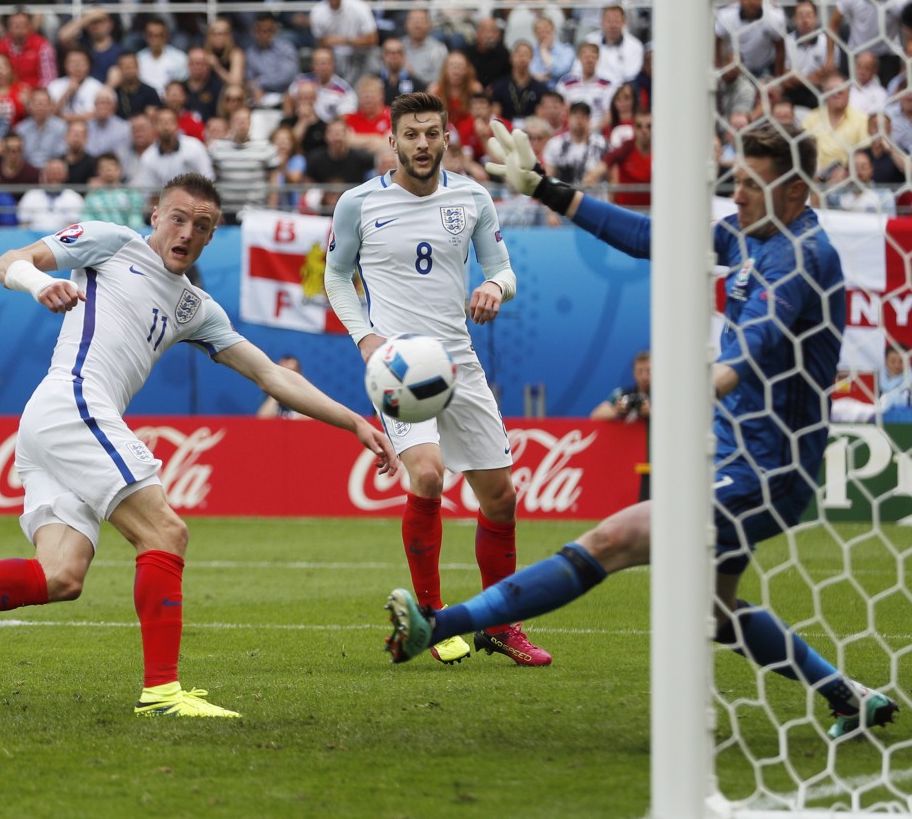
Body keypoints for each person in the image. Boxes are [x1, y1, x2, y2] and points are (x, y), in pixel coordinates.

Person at [386, 118, 901, 742]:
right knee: (714, 612)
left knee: (612, 539)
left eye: (752, 184)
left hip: (771, 470)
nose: (736, 195)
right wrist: (547, 188)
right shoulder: (750, 233)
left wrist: (714, 379)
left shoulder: (800, 257)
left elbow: (765, 335)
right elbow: (651, 237)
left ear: (795, 194)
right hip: (738, 456)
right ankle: (852, 699)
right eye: (735, 179)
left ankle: (435, 627)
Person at [0, 174, 400, 718]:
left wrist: (354, 423)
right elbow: (9, 260)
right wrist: (39, 284)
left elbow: (270, 375)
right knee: (165, 531)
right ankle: (163, 693)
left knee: (61, 576)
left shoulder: (195, 308)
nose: (187, 232)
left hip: (56, 422)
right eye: (178, 218)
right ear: (155, 216)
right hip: (74, 403)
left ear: (212, 237)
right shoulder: (111, 242)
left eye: (203, 226)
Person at [324, 91, 551, 668]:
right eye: (411, 134)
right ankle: (430, 617)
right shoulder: (357, 203)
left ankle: (500, 626)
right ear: (392, 139)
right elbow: (335, 277)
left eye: (432, 133)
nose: (422, 144)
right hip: (399, 366)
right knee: (426, 476)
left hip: (459, 361)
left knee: (500, 500)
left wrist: (493, 287)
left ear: (447, 137)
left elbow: (502, 269)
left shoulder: (472, 197)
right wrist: (367, 338)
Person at [591, 350, 650, 422]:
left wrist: (651, 412)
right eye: (640, 371)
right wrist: (616, 411)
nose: (644, 377)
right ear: (634, 373)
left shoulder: (663, 396)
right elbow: (595, 415)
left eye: (649, 371)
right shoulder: (622, 393)